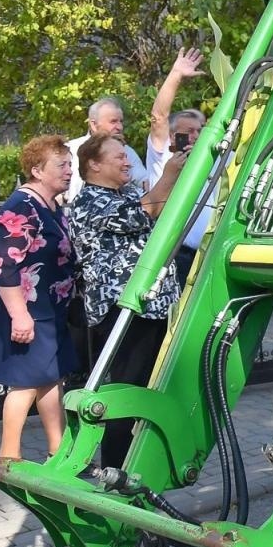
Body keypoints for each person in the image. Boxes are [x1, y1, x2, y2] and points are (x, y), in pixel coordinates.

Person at [67, 134, 186, 468]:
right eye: (118, 156)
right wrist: (169, 176)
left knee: (147, 389)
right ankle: (114, 467)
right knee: (126, 390)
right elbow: (139, 214)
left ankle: (139, 464)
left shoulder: (127, 193)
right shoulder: (91, 200)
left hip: (150, 309)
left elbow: (156, 208)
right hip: (122, 311)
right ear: (94, 164)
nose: (126, 161)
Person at [0, 135, 79, 463]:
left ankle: (60, 451)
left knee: (50, 378)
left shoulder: (51, 205)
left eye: (70, 164)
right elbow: (5, 265)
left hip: (48, 309)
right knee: (24, 383)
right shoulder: (21, 206)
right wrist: (19, 315)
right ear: (37, 171)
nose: (69, 171)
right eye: (61, 165)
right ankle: (7, 456)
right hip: (26, 308)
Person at [143, 48, 212, 286]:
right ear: (172, 136)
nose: (196, 136)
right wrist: (176, 74)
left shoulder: (214, 157)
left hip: (209, 256)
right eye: (188, 132)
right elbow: (159, 116)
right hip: (173, 256)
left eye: (201, 130)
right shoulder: (162, 154)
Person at [66, 97, 147, 201]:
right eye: (113, 121)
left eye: (121, 121)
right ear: (94, 125)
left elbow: (144, 182)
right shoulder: (70, 149)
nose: (120, 127)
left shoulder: (128, 151)